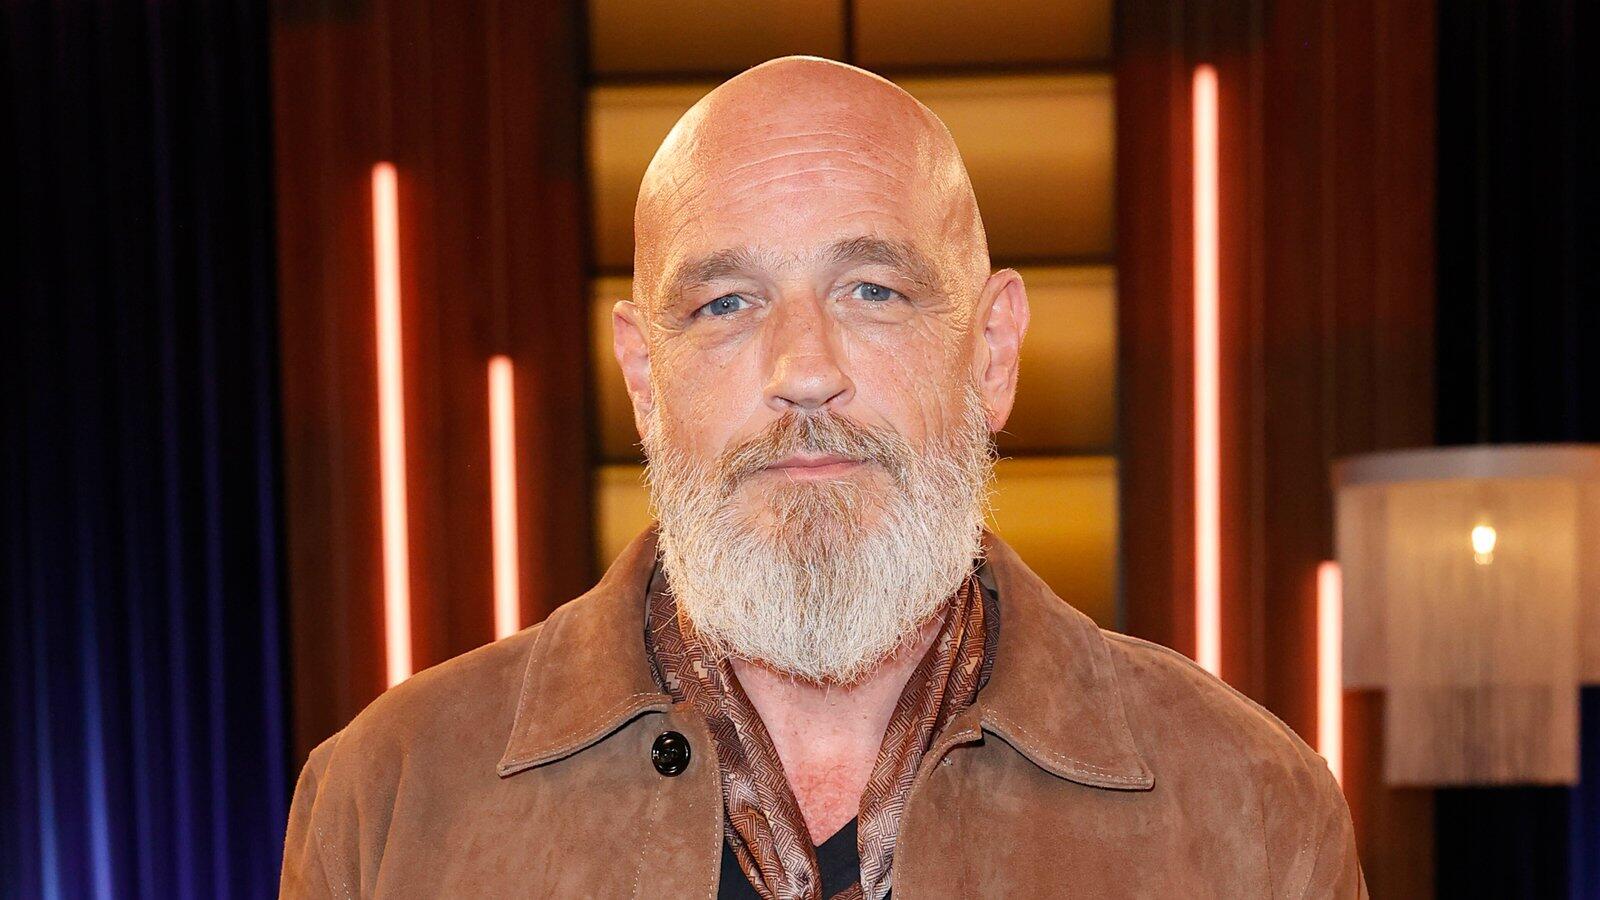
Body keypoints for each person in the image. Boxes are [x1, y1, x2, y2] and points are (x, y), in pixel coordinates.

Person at [280, 55, 1365, 898]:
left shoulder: (1248, 808)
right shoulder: (390, 801)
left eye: (872, 289)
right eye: (726, 303)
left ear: (993, 353)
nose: (803, 370)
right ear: (645, 379)